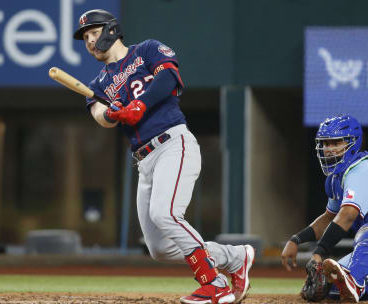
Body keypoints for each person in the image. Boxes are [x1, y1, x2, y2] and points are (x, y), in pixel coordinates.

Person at [73, 9, 255, 304]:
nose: (90, 41)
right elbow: (99, 116)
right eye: (85, 38)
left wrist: (139, 106)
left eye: (94, 33)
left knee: (165, 214)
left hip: (173, 142)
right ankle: (235, 258)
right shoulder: (98, 85)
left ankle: (215, 282)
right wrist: (112, 111)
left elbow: (169, 76)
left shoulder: (146, 50)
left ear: (111, 29)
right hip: (144, 161)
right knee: (159, 248)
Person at [281, 114, 368, 302]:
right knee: (332, 286)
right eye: (325, 144)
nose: (328, 149)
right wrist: (296, 239)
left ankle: (355, 281)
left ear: (353, 143)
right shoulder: (337, 179)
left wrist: (318, 253)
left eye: (335, 143)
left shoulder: (361, 169)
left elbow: (347, 216)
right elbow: (328, 218)